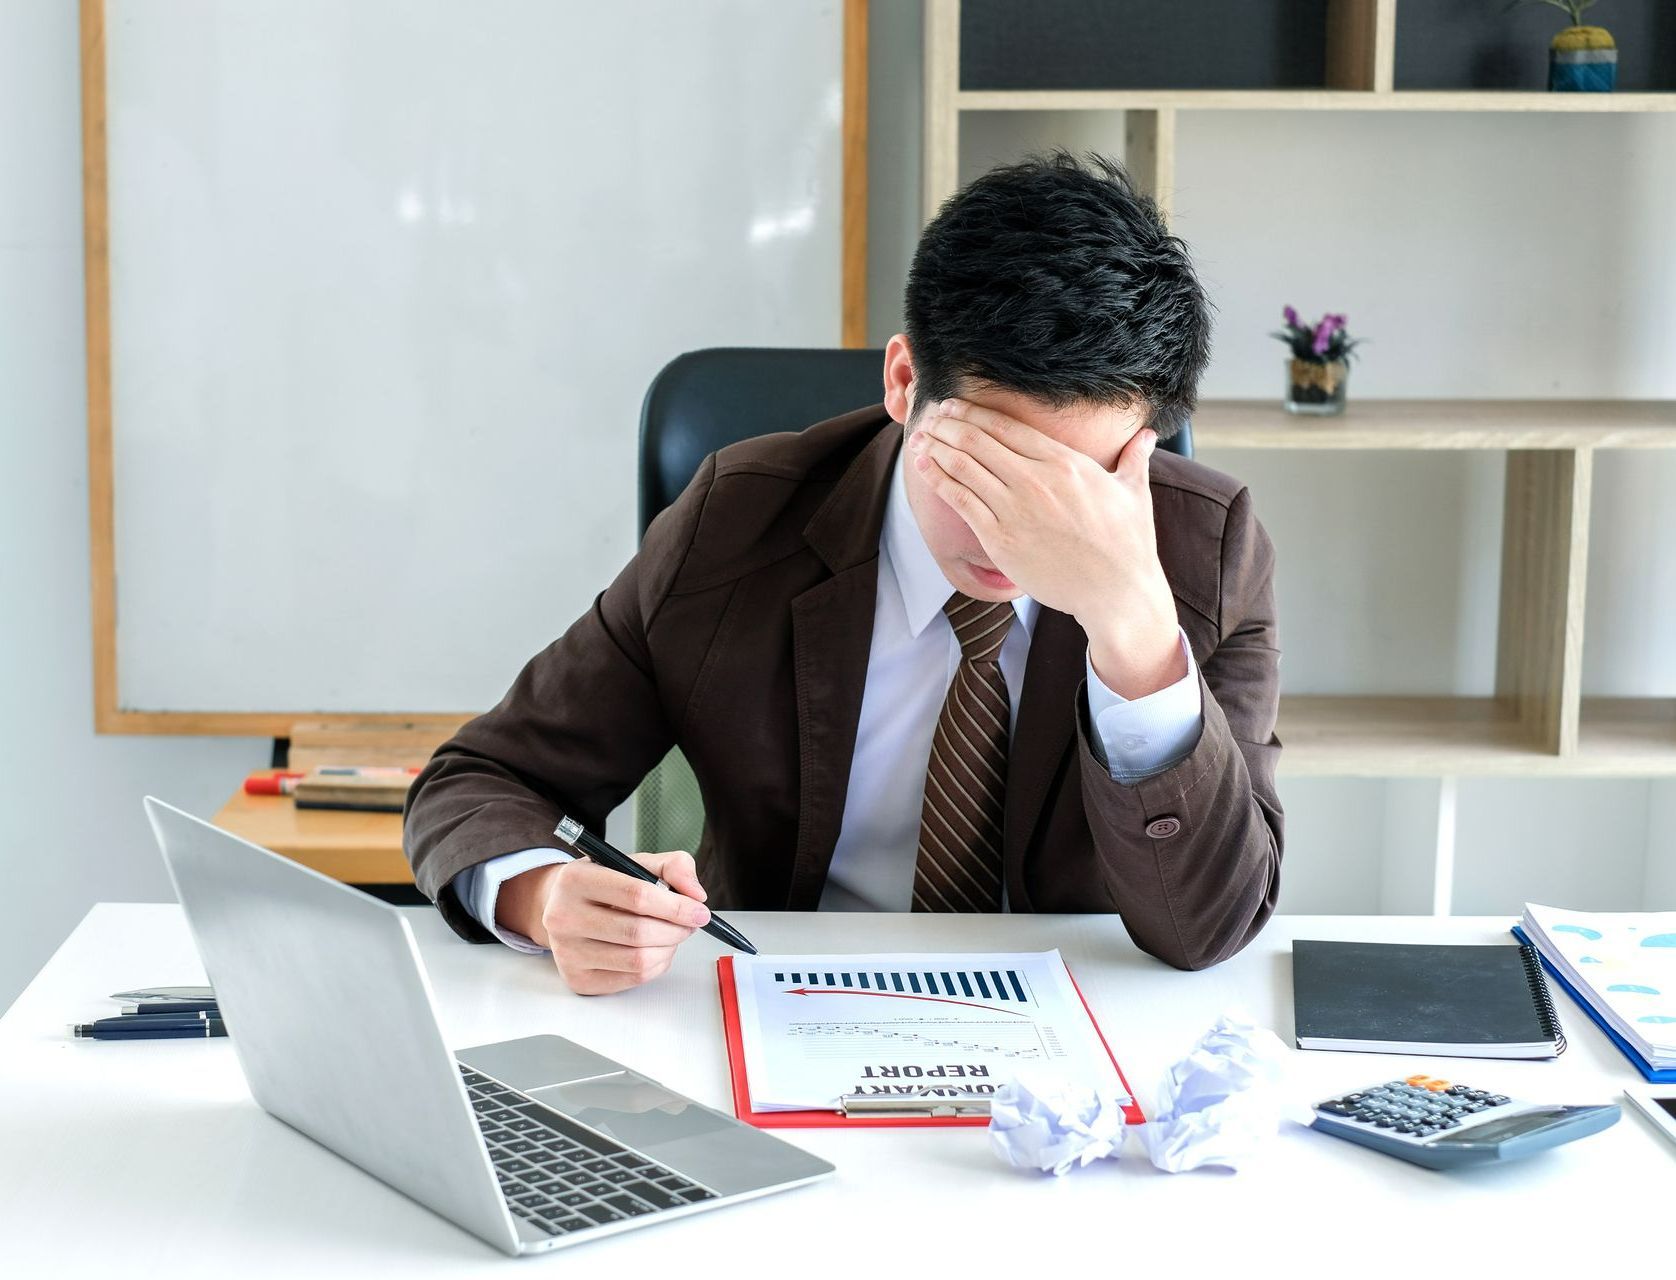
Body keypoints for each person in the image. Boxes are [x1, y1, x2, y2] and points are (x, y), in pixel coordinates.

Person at [404, 150, 1283, 995]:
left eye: (1074, 487)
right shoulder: (737, 521)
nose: (1016, 532)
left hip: (1081, 1035)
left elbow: (1207, 927)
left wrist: (1133, 629)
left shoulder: (1207, 554)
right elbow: (480, 780)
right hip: (777, 1003)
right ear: (903, 381)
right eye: (985, 469)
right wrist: (544, 895)